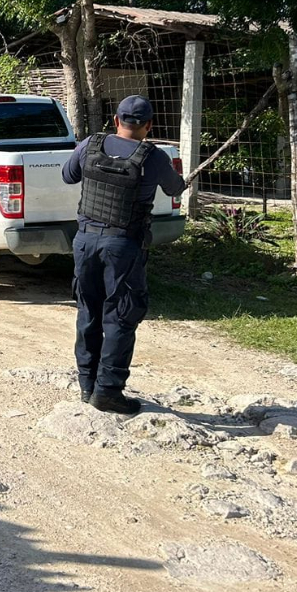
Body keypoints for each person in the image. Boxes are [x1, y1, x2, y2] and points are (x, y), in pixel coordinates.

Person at [62, 95, 187, 415]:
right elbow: (175, 189)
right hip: (123, 246)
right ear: (148, 126)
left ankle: (87, 384)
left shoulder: (91, 144)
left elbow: (68, 175)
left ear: (116, 121)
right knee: (120, 315)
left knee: (88, 311)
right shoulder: (153, 156)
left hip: (85, 241)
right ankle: (107, 390)